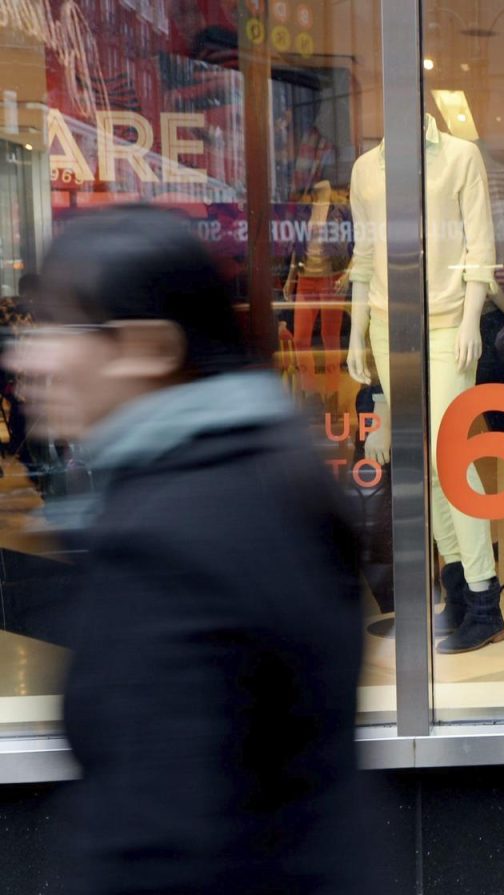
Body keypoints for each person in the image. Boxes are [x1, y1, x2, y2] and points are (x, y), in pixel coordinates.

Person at [11, 206, 368, 894]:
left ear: (149, 347)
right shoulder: (275, 474)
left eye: (57, 328)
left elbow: (155, 844)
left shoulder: (163, 543)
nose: (26, 356)